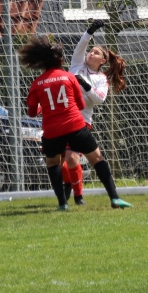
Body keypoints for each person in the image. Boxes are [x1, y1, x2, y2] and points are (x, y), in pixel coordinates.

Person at [19, 36, 132, 210]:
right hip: (75, 125)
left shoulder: (36, 84)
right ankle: (114, 198)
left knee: (53, 163)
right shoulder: (70, 77)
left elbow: (32, 113)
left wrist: (45, 108)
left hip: (52, 130)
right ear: (61, 61)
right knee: (97, 159)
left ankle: (63, 203)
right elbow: (80, 105)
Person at [61, 20, 127, 206]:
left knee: (72, 158)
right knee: (62, 161)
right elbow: (81, 45)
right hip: (62, 119)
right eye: (91, 50)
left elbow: (99, 99)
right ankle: (69, 196)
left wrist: (84, 84)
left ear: (103, 61)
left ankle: (75, 197)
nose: (91, 53)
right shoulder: (77, 64)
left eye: (96, 52)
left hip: (81, 123)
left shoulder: (101, 79)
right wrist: (90, 30)